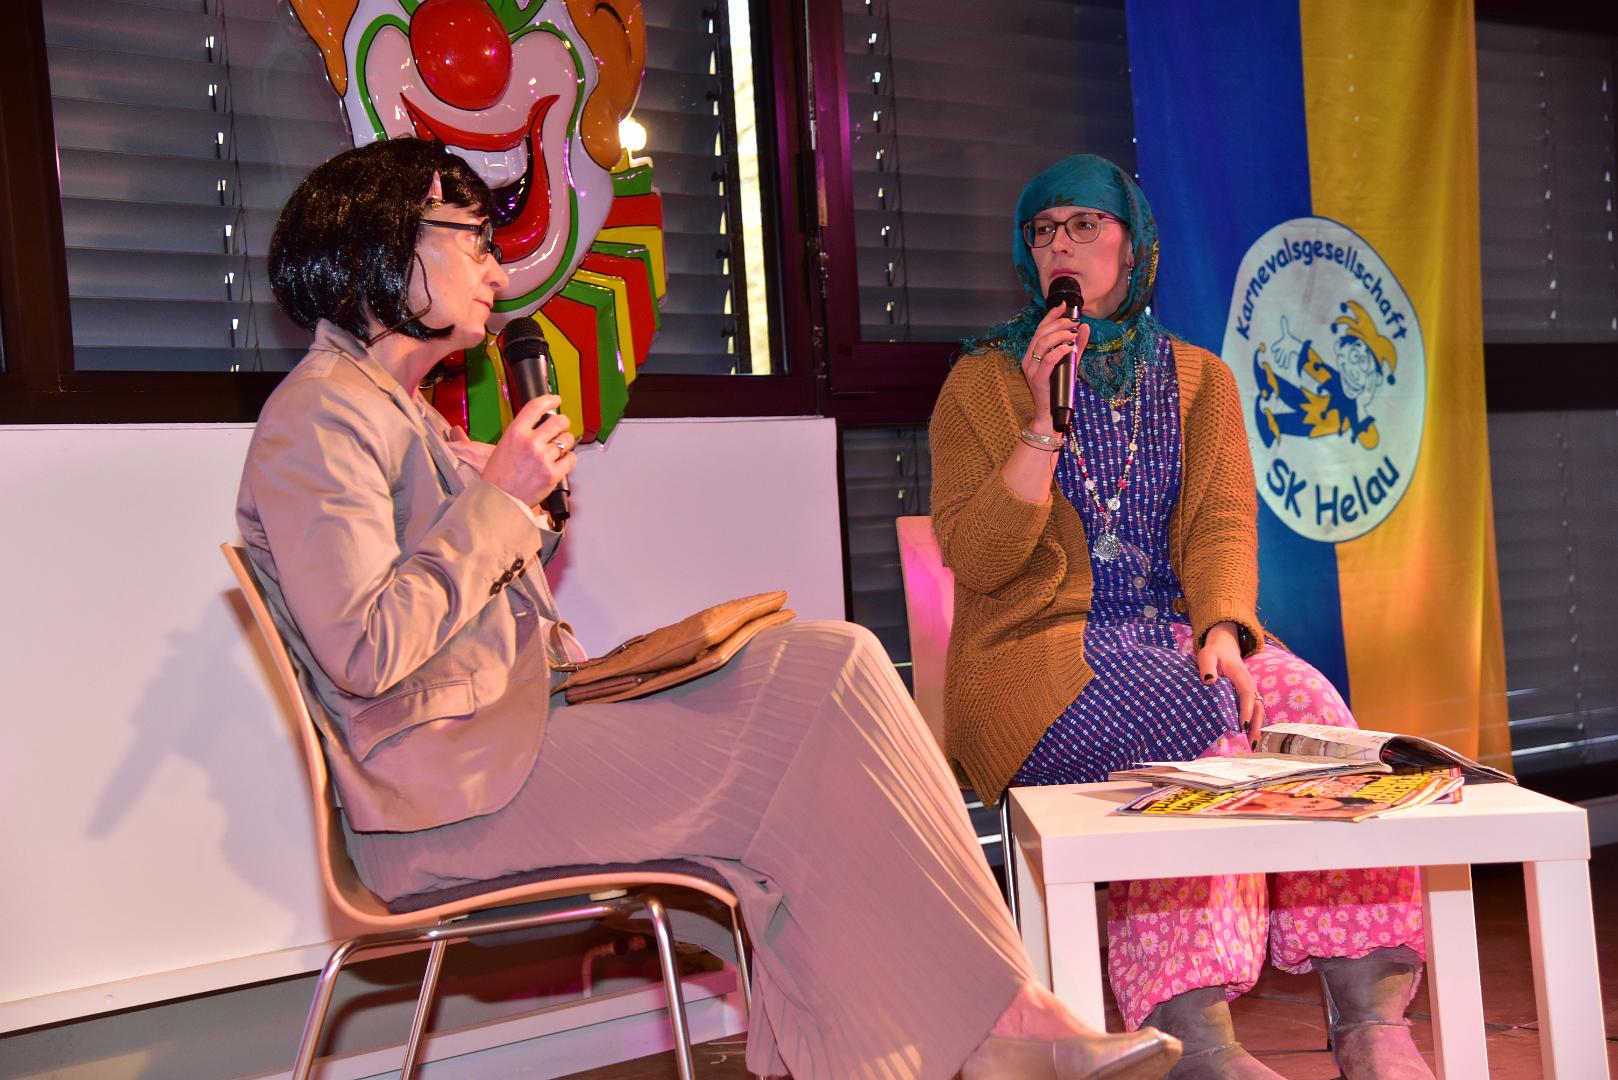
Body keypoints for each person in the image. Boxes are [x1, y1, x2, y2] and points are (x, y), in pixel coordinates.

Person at [235, 137, 1183, 1080]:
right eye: (475, 240)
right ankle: (1012, 1022)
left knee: (832, 671)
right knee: (821, 701)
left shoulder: (398, 412)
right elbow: (366, 648)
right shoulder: (320, 414)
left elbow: (453, 607)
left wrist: (513, 510)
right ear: (388, 245)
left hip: (502, 749)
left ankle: (967, 1034)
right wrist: (494, 502)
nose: (497, 269)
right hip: (447, 803)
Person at [928, 154, 1432, 1080]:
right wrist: (1041, 421)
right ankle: (1192, 1033)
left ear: (1134, 244)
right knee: (1200, 724)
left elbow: (1223, 526)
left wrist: (1223, 631)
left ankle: (1370, 1010)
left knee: (1314, 715)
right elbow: (980, 559)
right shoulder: (981, 383)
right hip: (1039, 661)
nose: (1061, 245)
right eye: (1043, 230)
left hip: (1175, 639)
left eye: (1085, 224)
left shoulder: (1201, 378)